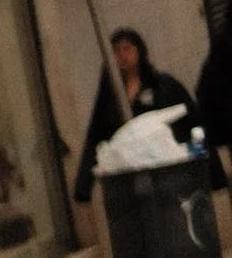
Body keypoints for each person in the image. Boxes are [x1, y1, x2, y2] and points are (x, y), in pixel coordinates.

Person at [73, 26, 192, 201]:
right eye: (117, 51)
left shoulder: (162, 86)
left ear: (139, 51)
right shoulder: (109, 96)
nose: (122, 55)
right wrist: (83, 186)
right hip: (125, 180)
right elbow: (96, 135)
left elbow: (189, 123)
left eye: (127, 49)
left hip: (163, 174)